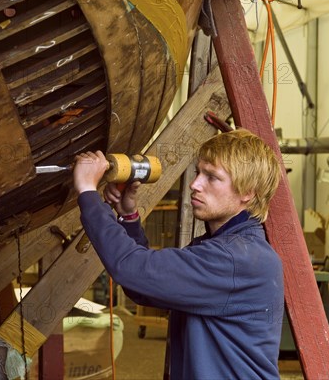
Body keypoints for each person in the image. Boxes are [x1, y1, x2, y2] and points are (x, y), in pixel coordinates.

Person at [73, 129, 284, 379]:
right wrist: (128, 217)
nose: (195, 184)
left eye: (212, 177)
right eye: (198, 172)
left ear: (247, 192)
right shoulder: (225, 249)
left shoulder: (236, 259)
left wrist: (88, 192)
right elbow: (144, 287)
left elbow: (132, 269)